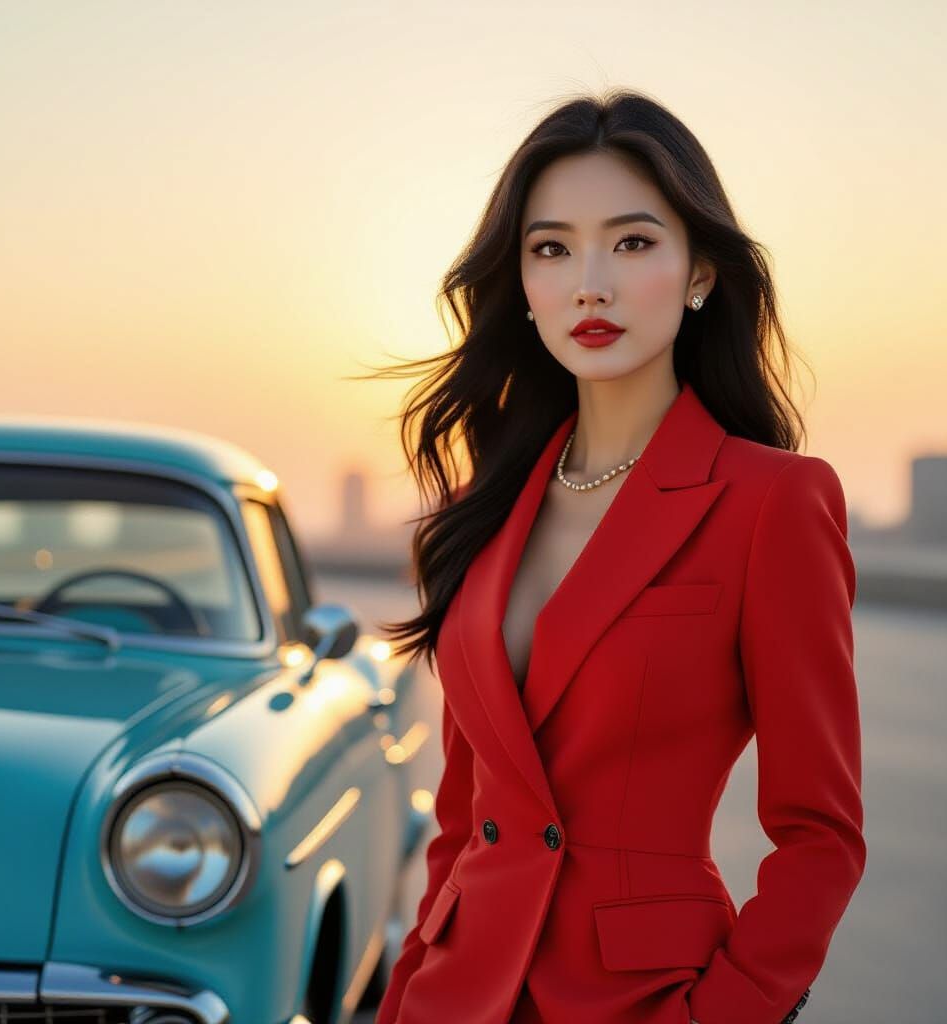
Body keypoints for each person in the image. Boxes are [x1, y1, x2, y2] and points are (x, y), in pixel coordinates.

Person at [367, 87, 865, 1024]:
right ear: (523, 283)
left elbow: (821, 837)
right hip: (450, 996)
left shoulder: (774, 504)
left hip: (641, 997)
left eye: (632, 242)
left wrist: (729, 1011)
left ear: (700, 272)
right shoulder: (483, 510)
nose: (588, 282)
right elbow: (463, 825)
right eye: (551, 249)